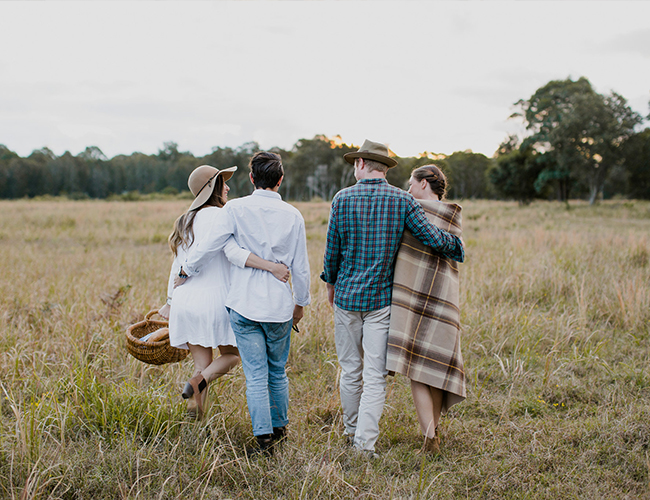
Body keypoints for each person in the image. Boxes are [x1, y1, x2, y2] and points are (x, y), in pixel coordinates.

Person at [320, 140, 465, 456]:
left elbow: (332, 252)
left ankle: (349, 431)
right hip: (381, 302)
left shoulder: (341, 199)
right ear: (384, 168)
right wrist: (457, 247)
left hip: (345, 298)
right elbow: (430, 237)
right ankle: (364, 444)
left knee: (350, 370)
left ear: (361, 165)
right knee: (374, 376)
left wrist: (330, 284)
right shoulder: (402, 200)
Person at [179, 151, 311, 456]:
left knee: (255, 374)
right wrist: (300, 304)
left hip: (243, 307)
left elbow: (210, 245)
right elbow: (301, 268)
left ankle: (263, 440)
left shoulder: (235, 209)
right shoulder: (293, 215)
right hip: (279, 307)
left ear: (252, 178)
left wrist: (187, 269)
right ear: (280, 180)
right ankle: (280, 429)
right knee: (277, 372)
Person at [158, 164, 289, 420]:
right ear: (211, 188)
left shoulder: (185, 220)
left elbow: (178, 266)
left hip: (186, 300)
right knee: (232, 355)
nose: (227, 187)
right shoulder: (223, 215)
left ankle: (196, 419)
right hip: (215, 299)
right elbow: (233, 253)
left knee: (200, 364)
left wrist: (170, 301)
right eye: (223, 182)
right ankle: (201, 381)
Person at [387, 165, 466, 455]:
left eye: (411, 183)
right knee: (434, 365)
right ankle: (434, 431)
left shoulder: (409, 211)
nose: (408, 190)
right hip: (444, 300)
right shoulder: (451, 215)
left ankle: (430, 437)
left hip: (414, 298)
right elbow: (457, 250)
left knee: (417, 369)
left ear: (423, 184)